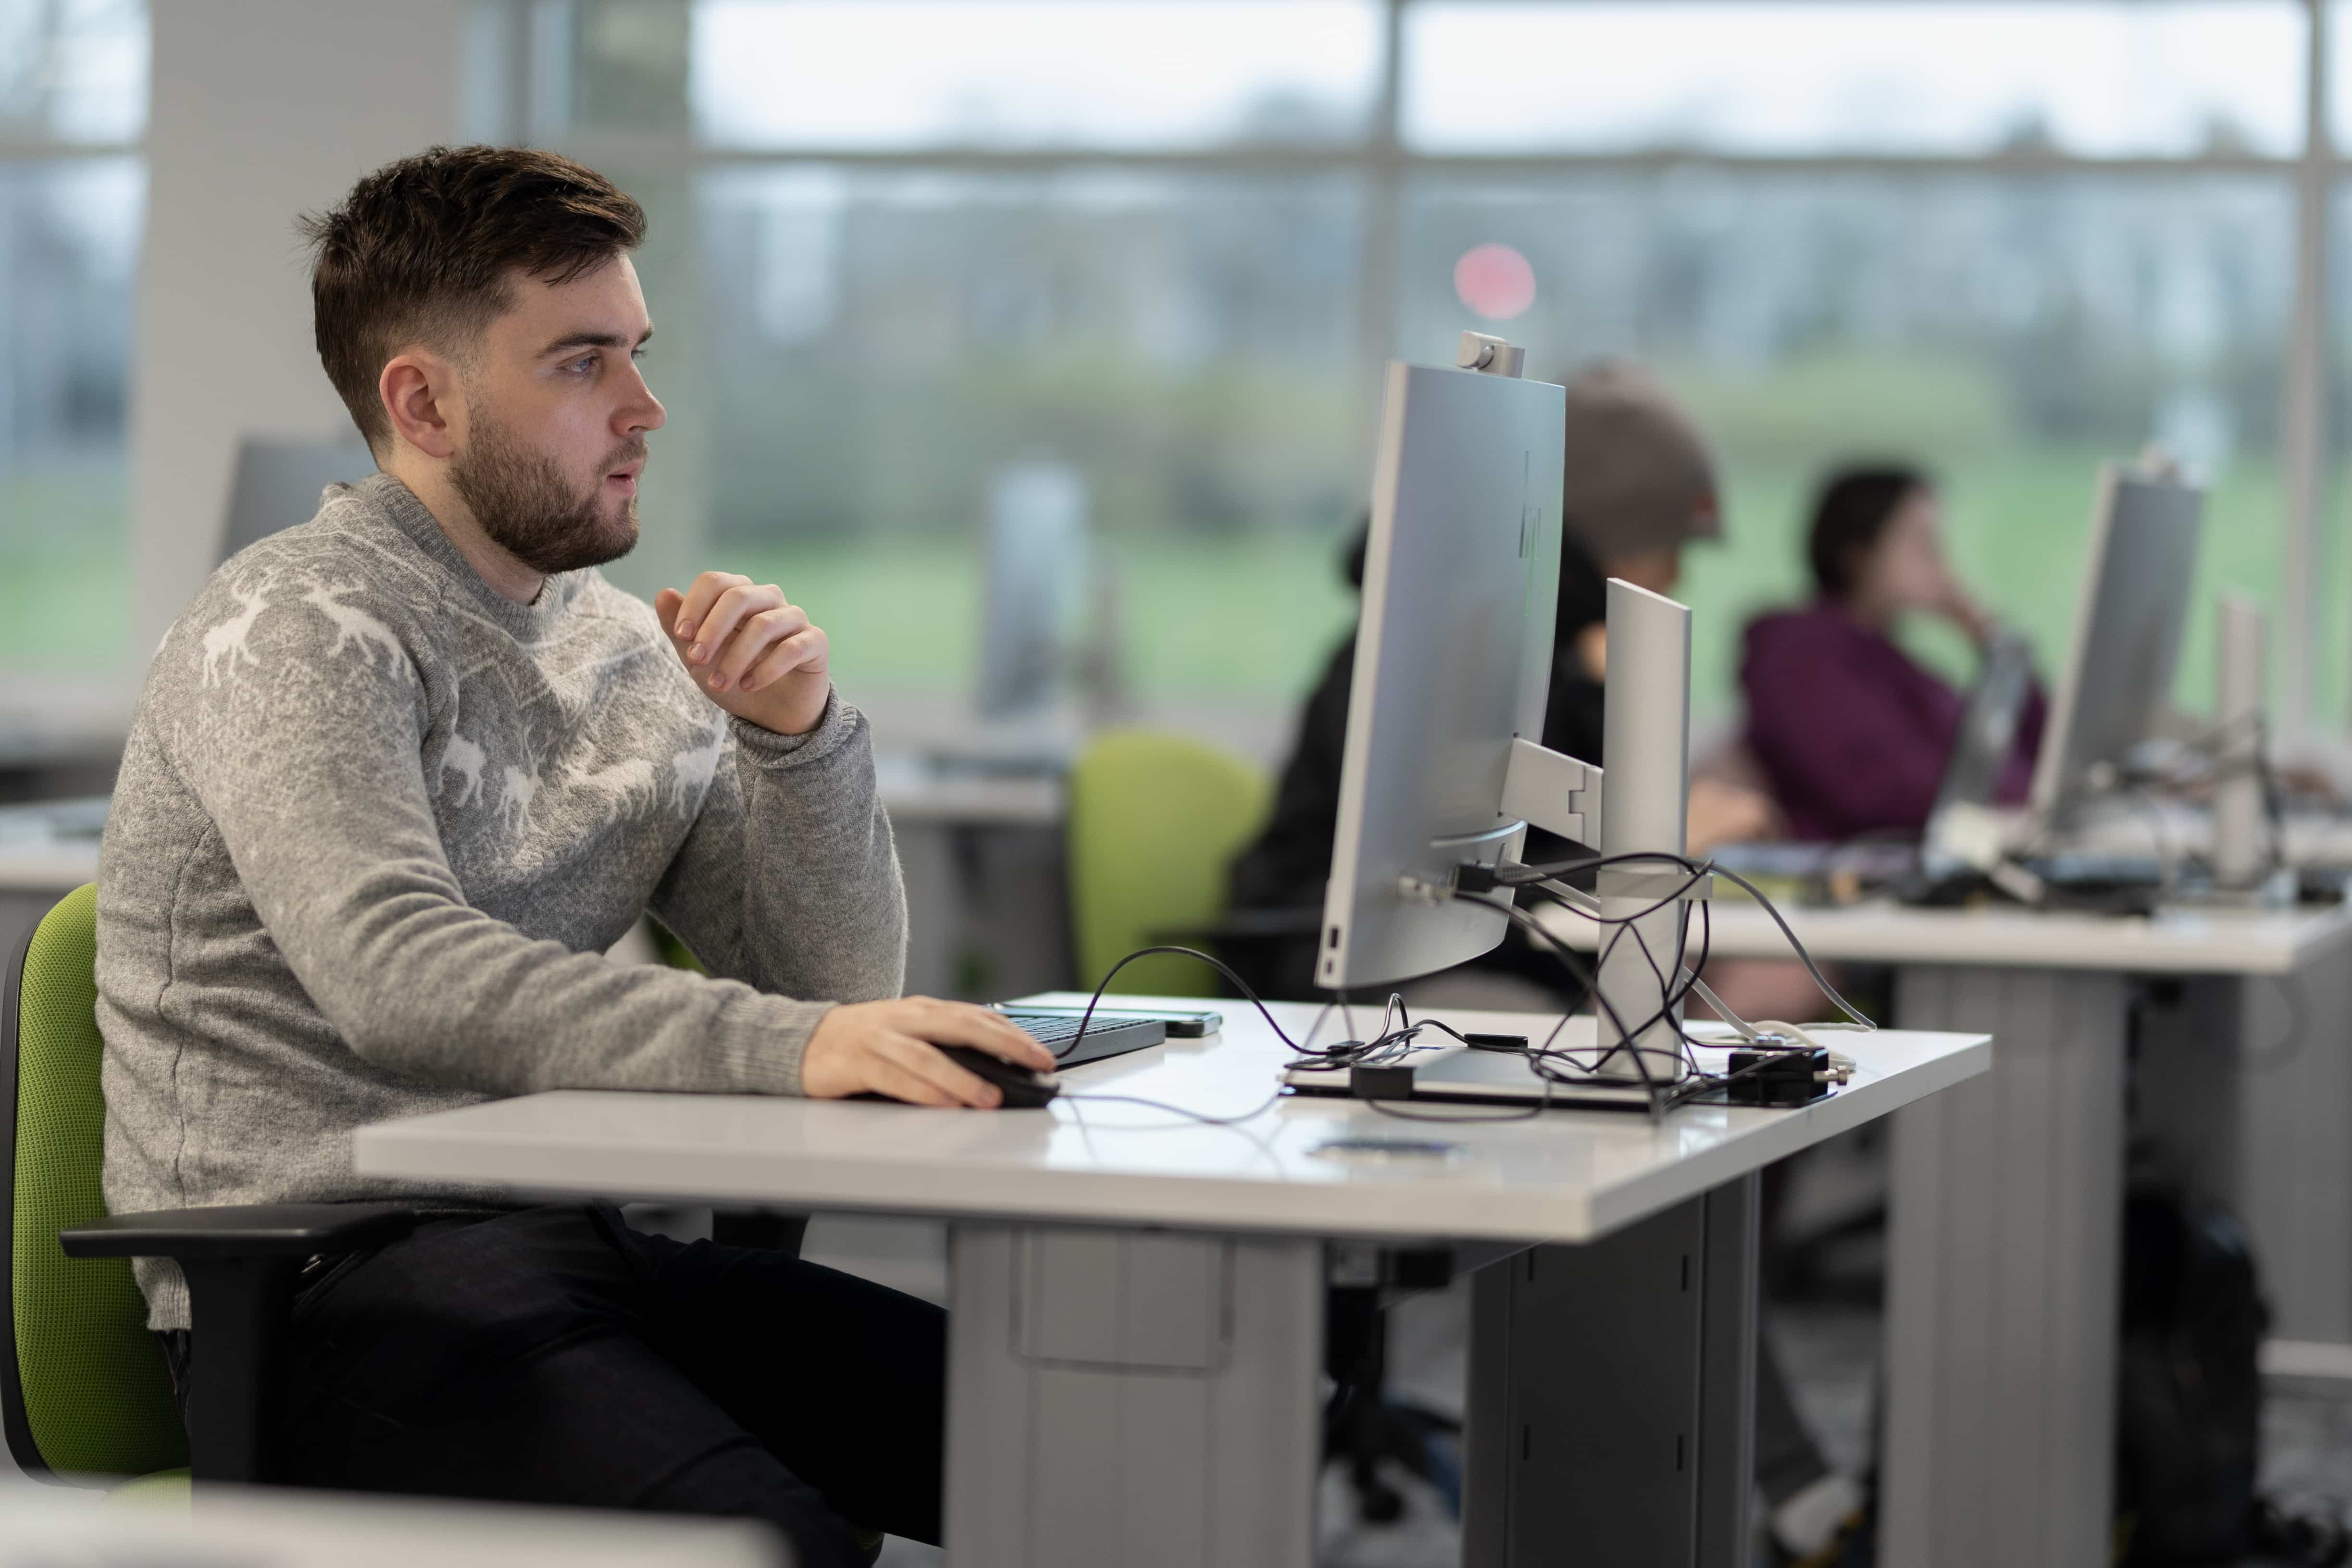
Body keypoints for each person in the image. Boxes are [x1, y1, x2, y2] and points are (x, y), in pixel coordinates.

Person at [95, 146, 1056, 1568]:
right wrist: (793, 1043)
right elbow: (394, 975)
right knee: (779, 1545)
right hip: (321, 1289)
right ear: (422, 400)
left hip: (577, 1250)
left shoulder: (622, 647)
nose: (643, 408)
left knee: (1083, 1445)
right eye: (581, 363)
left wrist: (795, 741)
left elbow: (827, 984)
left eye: (639, 353)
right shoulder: (297, 627)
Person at [1224, 358, 1773, 1005]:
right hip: (1337, 963)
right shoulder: (1440, 651)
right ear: (1603, 542)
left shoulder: (1561, 651)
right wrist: (1652, 840)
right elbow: (1446, 874)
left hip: (1483, 951)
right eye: (1664, 548)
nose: (1675, 577)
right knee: (1568, 1034)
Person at [1742, 464, 2045, 844]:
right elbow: (1880, 789)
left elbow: (2038, 741)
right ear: (1856, 553)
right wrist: (2022, 805)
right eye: (1921, 544)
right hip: (1864, 874)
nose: (1938, 562)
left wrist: (1982, 629)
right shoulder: (1800, 656)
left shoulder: (1895, 662)